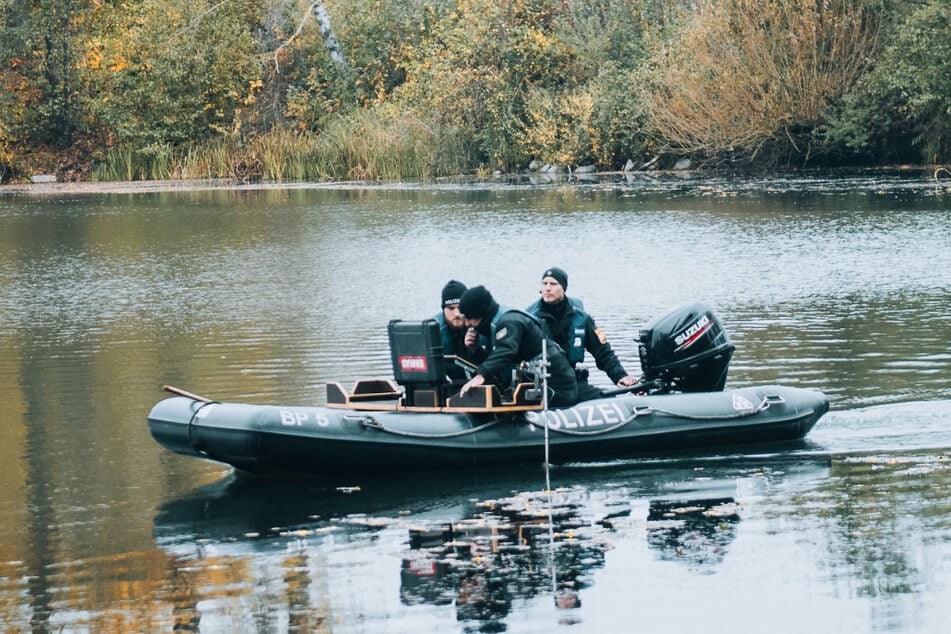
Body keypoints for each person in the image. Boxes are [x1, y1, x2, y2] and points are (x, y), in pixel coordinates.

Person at [527, 267, 637, 402]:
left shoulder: (581, 318)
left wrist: (621, 376)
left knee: (606, 399)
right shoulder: (530, 320)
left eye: (553, 284)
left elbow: (603, 353)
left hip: (572, 383)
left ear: (563, 287)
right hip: (543, 384)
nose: (547, 288)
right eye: (544, 284)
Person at [458, 285, 578, 408]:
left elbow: (506, 351)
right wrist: (475, 350)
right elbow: (497, 362)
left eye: (470, 318)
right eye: (464, 318)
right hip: (528, 383)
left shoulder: (509, 321)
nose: (467, 324)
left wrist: (481, 375)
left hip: (556, 387)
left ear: (481, 313)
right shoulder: (488, 326)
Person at [433, 280, 486, 381]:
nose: (457, 313)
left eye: (460, 307)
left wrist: (476, 349)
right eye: (451, 308)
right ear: (443, 309)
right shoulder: (433, 331)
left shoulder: (483, 326)